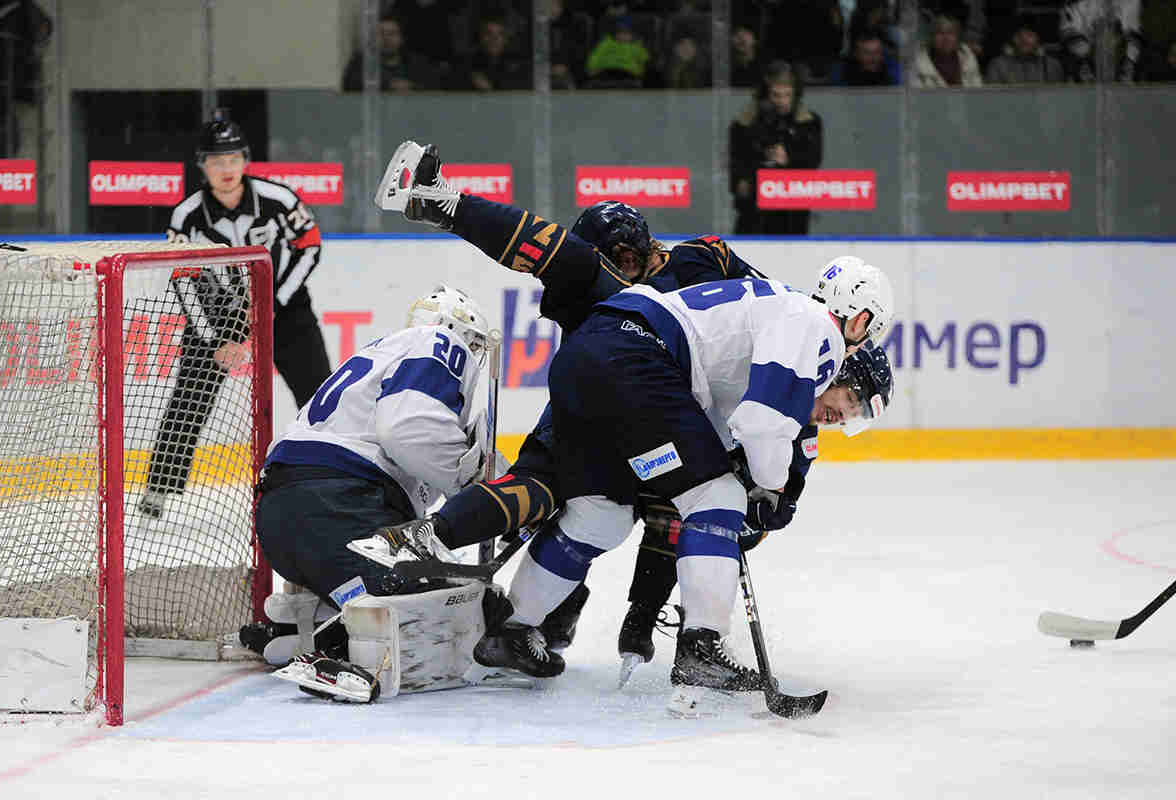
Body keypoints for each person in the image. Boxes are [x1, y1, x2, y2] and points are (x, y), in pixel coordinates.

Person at [363, 142, 895, 702]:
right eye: (849, 403)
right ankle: (699, 648)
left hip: (603, 380)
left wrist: (645, 609)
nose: (839, 414)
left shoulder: (717, 272)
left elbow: (753, 410)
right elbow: (765, 422)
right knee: (709, 497)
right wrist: (766, 483)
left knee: (602, 515)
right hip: (640, 368)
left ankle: (505, 618)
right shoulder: (799, 322)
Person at [616, 339, 894, 684]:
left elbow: (781, 498)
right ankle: (626, 615)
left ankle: (694, 641)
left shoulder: (804, 439)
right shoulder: (761, 378)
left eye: (854, 415)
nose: (843, 417)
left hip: (674, 488)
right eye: (850, 401)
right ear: (835, 373)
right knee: (612, 515)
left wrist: (764, 512)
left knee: (726, 528)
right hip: (644, 448)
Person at [253, 284, 492, 676]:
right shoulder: (440, 341)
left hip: (281, 519)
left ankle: (303, 624)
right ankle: (346, 646)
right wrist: (469, 481)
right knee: (444, 603)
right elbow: (408, 429)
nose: (473, 354)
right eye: (475, 344)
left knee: (400, 572)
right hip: (337, 510)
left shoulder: (381, 352)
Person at [138, 110, 331, 519]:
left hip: (285, 311)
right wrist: (215, 338)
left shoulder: (279, 199)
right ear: (202, 166)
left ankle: (333, 475)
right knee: (189, 399)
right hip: (215, 317)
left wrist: (274, 304)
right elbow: (183, 280)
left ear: (245, 160)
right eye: (215, 161)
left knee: (320, 396)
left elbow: (310, 246)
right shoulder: (186, 216)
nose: (225, 169)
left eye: (232, 159)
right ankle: (159, 489)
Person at [728, 60, 824, 235]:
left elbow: (814, 160)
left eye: (787, 95)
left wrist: (789, 159)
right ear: (766, 94)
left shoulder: (808, 123)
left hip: (793, 208)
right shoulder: (746, 124)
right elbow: (736, 160)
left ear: (795, 95)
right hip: (754, 208)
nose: (782, 101)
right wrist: (743, 179)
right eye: (776, 95)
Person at [342, 15, 442, 92]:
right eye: (381, 34)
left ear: (401, 39)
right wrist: (388, 85)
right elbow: (350, 85)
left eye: (392, 34)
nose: (386, 39)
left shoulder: (417, 63)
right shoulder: (361, 62)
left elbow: (434, 86)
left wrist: (412, 87)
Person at [1060, 0, 1143, 83]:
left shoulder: (1131, 3)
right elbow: (1069, 32)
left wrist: (1129, 62)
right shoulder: (1076, 4)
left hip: (1119, 58)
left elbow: (1133, 34)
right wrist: (1083, 61)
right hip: (1083, 57)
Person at [984, 15, 1066, 85]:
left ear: (1038, 39)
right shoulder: (998, 65)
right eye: (1019, 35)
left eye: (1029, 35)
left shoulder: (1051, 65)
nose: (1024, 40)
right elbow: (993, 96)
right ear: (1012, 39)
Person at [910, 14, 983, 87]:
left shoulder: (968, 58)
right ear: (931, 37)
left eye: (950, 33)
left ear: (957, 37)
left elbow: (977, 88)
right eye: (940, 33)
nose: (946, 38)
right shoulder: (918, 62)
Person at [585, 14, 651, 87]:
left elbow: (645, 59)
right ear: (615, 33)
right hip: (606, 69)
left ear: (633, 34)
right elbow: (596, 56)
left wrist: (643, 71)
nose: (623, 36)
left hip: (629, 72)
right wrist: (592, 69)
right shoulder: (607, 43)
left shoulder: (636, 45)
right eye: (620, 32)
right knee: (599, 79)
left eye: (627, 33)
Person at [833, 29, 901, 86]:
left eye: (877, 52)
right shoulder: (840, 76)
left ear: (882, 54)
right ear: (856, 54)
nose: (873, 58)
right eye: (866, 53)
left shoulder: (893, 74)